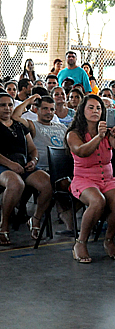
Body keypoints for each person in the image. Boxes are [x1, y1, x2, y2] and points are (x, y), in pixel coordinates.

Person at [65, 95, 115, 262]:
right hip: (84, 178)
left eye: (98, 108)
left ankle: (108, 240)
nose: (95, 111)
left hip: (107, 177)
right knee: (98, 201)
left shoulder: (107, 129)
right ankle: (80, 242)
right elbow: (82, 152)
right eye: (90, 108)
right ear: (82, 111)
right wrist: (98, 137)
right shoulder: (74, 134)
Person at [11, 94, 73, 233]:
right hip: (42, 169)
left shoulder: (61, 127)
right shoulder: (32, 125)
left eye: (51, 109)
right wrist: (29, 100)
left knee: (70, 183)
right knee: (60, 183)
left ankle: (69, 221)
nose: (48, 112)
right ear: (36, 110)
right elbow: (15, 117)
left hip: (62, 169)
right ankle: (38, 218)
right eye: (44, 108)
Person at [0, 92, 53, 245]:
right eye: (2, 105)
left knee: (48, 183)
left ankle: (35, 219)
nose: (7, 108)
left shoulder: (19, 126)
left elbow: (32, 148)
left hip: (23, 165)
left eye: (10, 105)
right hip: (3, 165)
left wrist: (34, 160)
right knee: (16, 184)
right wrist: (10, 164)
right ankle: (3, 226)